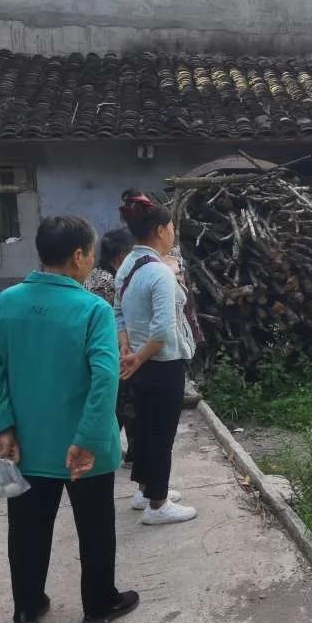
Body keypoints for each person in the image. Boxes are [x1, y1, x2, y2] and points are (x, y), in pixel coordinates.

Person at [0, 215, 139, 623]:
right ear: (79, 256)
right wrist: (87, 439)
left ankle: (27, 608)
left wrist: (1, 426)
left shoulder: (5, 303)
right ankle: (98, 604)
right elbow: (105, 377)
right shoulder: (93, 309)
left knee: (26, 529)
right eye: (91, 253)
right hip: (85, 449)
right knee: (95, 527)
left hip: (26, 444)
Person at [116, 191, 198, 525]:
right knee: (161, 435)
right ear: (161, 230)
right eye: (172, 227)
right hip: (163, 363)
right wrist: (139, 356)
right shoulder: (160, 273)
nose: (173, 233)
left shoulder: (127, 265)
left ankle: (145, 491)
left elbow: (118, 312)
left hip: (138, 361)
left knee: (144, 429)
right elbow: (163, 330)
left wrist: (128, 350)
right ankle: (158, 505)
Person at [85, 228, 137, 464]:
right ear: (121, 256)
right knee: (123, 402)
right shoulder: (112, 281)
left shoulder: (94, 275)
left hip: (96, 347)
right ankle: (121, 451)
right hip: (111, 347)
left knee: (115, 401)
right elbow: (117, 317)